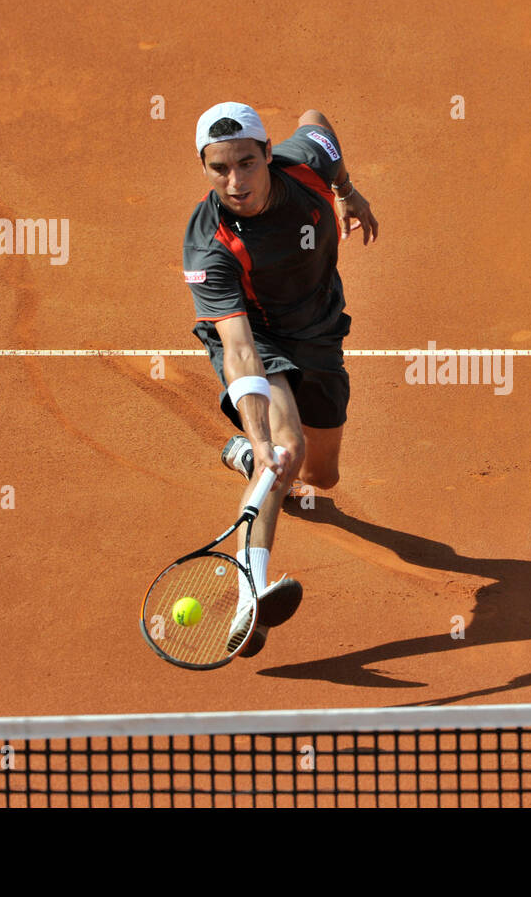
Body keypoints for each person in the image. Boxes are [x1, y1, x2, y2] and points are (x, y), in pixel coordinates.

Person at [182, 102, 378, 657]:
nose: (236, 180)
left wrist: (346, 189)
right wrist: (266, 436)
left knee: (322, 476)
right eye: (219, 168)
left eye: (246, 162)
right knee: (286, 449)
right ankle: (251, 595)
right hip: (258, 337)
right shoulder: (210, 244)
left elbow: (318, 117)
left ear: (270, 154)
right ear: (204, 167)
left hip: (317, 333)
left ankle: (249, 459)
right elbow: (240, 350)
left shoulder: (305, 160)